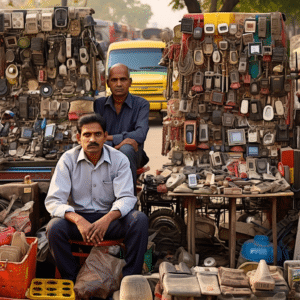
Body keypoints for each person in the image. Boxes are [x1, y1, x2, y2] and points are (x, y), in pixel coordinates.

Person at [45, 113, 148, 283]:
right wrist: (79, 220)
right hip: (78, 223)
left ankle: (130, 281)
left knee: (139, 220)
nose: (92, 139)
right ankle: (72, 281)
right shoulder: (67, 160)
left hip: (111, 221)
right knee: (54, 228)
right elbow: (54, 201)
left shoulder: (119, 159)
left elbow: (127, 198)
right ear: (79, 138)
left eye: (97, 134)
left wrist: (106, 219)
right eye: (87, 135)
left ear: (106, 136)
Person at [94, 63, 149, 194]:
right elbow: (96, 135)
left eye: (123, 79)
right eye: (114, 80)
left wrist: (112, 139)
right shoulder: (99, 105)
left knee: (127, 149)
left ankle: (128, 199)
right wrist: (119, 143)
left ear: (130, 82)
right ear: (108, 83)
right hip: (106, 149)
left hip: (133, 154)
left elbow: (140, 134)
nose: (119, 84)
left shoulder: (141, 104)